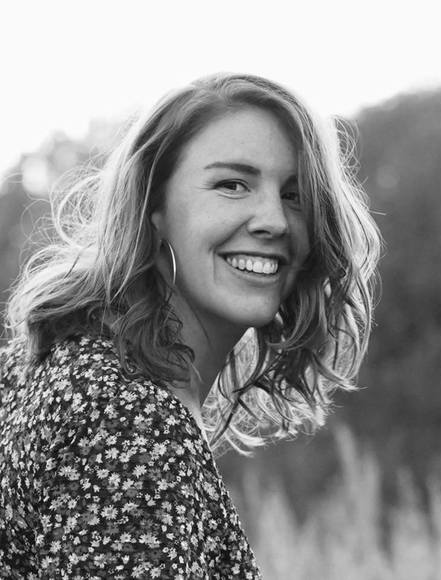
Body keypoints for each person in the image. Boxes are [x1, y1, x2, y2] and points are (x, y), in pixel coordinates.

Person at [0, 73, 381, 578]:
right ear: (153, 207)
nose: (274, 220)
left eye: (294, 194)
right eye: (232, 185)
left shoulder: (54, 361)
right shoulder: (132, 428)